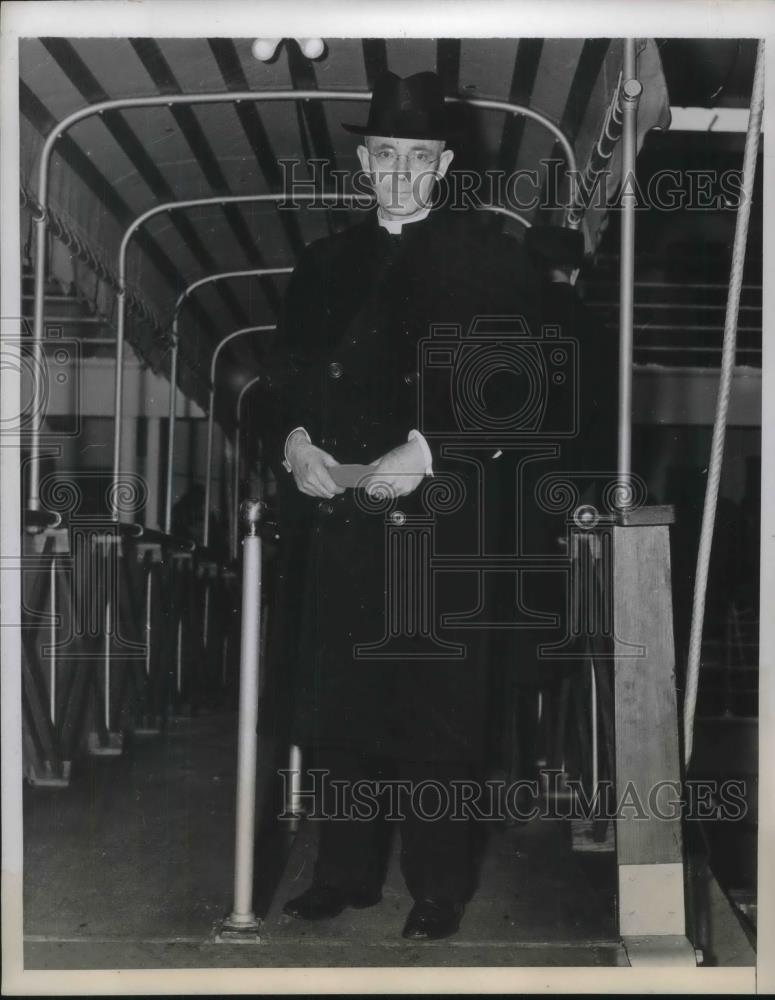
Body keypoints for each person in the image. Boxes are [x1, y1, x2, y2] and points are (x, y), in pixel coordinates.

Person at [261, 71, 541, 941]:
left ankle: (437, 889)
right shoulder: (323, 264)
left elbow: (520, 389)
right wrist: (296, 443)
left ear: (444, 163)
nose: (398, 173)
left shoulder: (492, 261)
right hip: (341, 521)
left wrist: (430, 451)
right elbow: (280, 382)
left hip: (437, 522)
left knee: (434, 716)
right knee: (340, 709)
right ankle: (341, 876)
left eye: (417, 157)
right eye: (385, 155)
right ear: (364, 161)